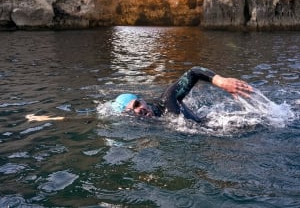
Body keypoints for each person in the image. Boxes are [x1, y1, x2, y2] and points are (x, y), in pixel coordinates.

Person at [26, 66, 253, 123]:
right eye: (132, 111)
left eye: (137, 103)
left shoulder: (167, 102)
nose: (139, 110)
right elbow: (92, 119)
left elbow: (193, 73)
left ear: (142, 99)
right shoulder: (137, 122)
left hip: (219, 127)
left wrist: (221, 82)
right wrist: (48, 119)